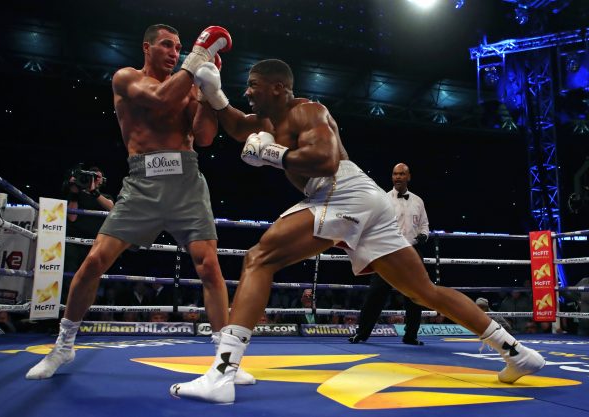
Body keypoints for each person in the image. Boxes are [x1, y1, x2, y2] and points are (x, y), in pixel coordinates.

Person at [169, 58, 545, 403]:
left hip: (342, 190)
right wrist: (212, 92)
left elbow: (327, 161)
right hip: (364, 201)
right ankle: (516, 352)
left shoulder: (308, 111)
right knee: (423, 293)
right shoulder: (266, 121)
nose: (247, 91)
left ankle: (222, 374)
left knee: (258, 258)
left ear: (278, 88)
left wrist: (272, 155)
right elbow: (236, 126)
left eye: (253, 85)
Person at [26, 23, 254, 385]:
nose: (174, 51)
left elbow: (206, 138)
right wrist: (197, 58)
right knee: (94, 261)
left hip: (187, 182)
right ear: (146, 47)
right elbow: (161, 98)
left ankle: (225, 362)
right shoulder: (126, 78)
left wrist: (211, 93)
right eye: (166, 44)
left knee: (209, 266)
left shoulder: (189, 84)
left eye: (179, 47)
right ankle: (64, 344)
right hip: (142, 182)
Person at [348, 162, 428, 346]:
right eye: (395, 174)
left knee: (416, 295)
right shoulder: (382, 199)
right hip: (388, 251)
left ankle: (411, 335)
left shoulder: (418, 201)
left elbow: (424, 224)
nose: (398, 177)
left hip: (412, 251)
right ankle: (361, 333)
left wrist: (424, 234)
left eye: (401, 174)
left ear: (408, 177)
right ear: (392, 177)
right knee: (376, 293)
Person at [63, 165, 114, 302]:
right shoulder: (77, 194)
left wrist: (94, 192)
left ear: (102, 180)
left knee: (91, 278)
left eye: (97, 177)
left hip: (95, 244)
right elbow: (72, 217)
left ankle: (85, 309)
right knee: (71, 275)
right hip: (74, 242)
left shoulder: (105, 197)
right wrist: (74, 191)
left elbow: (112, 208)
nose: (94, 179)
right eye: (92, 176)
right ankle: (67, 308)